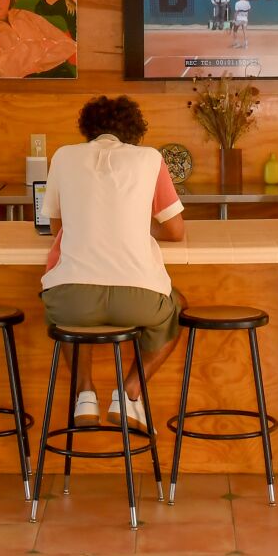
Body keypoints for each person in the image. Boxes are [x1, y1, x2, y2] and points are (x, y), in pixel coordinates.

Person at [40, 96, 186, 430]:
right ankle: (130, 391)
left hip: (70, 299)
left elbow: (55, 228)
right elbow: (175, 231)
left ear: (87, 129)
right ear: (135, 130)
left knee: (71, 318)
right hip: (140, 300)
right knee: (177, 307)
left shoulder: (63, 157)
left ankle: (84, 395)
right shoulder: (150, 159)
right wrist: (136, 227)